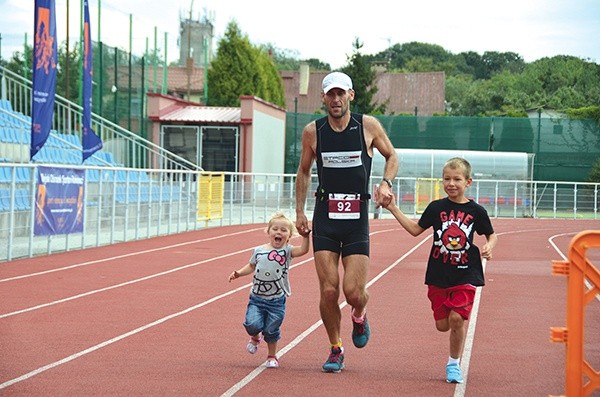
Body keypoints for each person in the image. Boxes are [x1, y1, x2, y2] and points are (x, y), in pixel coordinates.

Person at [294, 71, 399, 373]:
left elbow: (392, 156)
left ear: (351, 95)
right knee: (329, 290)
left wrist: (385, 183)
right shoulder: (313, 132)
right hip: (325, 215)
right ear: (324, 98)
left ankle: (360, 314)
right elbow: (303, 171)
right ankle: (335, 348)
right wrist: (300, 212)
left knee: (353, 292)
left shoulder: (367, 126)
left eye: (341, 93)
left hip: (356, 218)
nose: (336, 99)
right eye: (330, 94)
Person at [382, 157, 497, 383]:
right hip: (438, 275)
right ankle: (450, 342)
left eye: (457, 179)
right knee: (442, 325)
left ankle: (453, 364)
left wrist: (490, 246)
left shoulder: (476, 211)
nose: (451, 183)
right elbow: (416, 230)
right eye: (447, 179)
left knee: (456, 320)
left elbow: (491, 234)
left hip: (466, 273)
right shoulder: (436, 208)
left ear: (468, 182)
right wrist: (392, 207)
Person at [228, 211, 310, 368]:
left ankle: (272, 356)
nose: (279, 232)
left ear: (289, 235)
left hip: (276, 301)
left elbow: (304, 250)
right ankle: (255, 336)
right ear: (269, 231)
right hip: (257, 299)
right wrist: (238, 273)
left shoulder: (288, 251)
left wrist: (305, 236)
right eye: (275, 229)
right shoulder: (259, 250)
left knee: (272, 330)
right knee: (252, 324)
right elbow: (251, 266)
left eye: (284, 230)